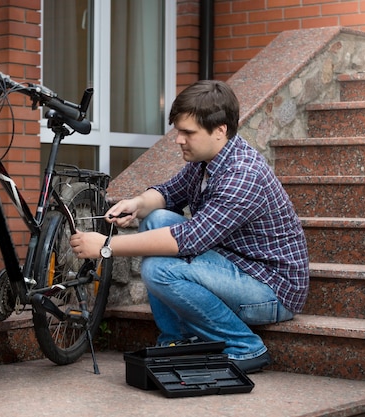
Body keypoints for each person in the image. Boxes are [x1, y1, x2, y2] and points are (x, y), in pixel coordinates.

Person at [69, 80, 309, 374]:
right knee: (157, 217)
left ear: (220, 130)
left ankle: (245, 347)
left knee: (159, 270)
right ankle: (177, 340)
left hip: (270, 289)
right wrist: (137, 203)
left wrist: (106, 248)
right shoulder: (207, 159)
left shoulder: (242, 175)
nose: (179, 140)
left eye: (188, 133)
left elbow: (189, 239)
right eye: (178, 131)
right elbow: (169, 193)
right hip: (233, 264)